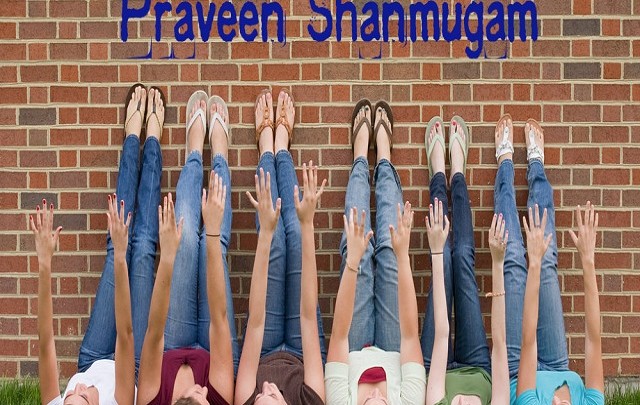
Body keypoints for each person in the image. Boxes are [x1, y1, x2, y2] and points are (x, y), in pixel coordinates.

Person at [36, 83, 165, 405]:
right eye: (83, 396)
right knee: (142, 249)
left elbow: (45, 342)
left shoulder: (70, 391)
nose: (77, 387)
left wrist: (44, 263)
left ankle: (132, 137)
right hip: (132, 366)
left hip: (92, 356)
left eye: (68, 395)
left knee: (116, 244)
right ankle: (152, 139)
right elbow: (126, 336)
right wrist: (121, 255)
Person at [493, 114, 605, 404]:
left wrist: (533, 261)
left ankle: (505, 163)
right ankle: (536, 165)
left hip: (517, 369)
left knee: (513, 259)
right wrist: (588, 260)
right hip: (557, 364)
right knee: (546, 262)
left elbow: (528, 342)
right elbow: (594, 340)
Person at [136, 91, 238, 405]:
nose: (204, 389)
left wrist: (167, 257)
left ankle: (194, 151)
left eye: (198, 394)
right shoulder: (217, 398)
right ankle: (219, 154)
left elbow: (154, 331)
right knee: (212, 244)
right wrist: (213, 232)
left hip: (171, 341)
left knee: (184, 244)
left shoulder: (152, 398)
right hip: (212, 345)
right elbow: (219, 319)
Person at [324, 100, 426, 404]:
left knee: (357, 252)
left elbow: (339, 336)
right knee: (391, 253)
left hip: (353, 344)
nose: (377, 397)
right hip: (396, 344)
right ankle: (383, 155)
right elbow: (410, 335)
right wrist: (404, 256)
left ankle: (359, 156)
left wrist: (353, 263)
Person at [234, 89, 327, 405]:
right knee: (297, 237)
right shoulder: (310, 401)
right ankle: (282, 148)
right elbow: (308, 317)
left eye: (260, 396)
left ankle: (266, 148)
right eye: (271, 397)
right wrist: (308, 223)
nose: (266, 387)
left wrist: (264, 233)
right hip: (302, 348)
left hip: (264, 345)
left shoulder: (247, 399)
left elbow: (256, 321)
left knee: (273, 243)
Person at [421, 115, 510, 405]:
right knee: (461, 258)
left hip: (435, 362)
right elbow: (500, 345)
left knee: (445, 260)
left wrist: (436, 251)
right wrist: (497, 262)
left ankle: (438, 173)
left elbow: (441, 335)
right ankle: (457, 174)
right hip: (477, 365)